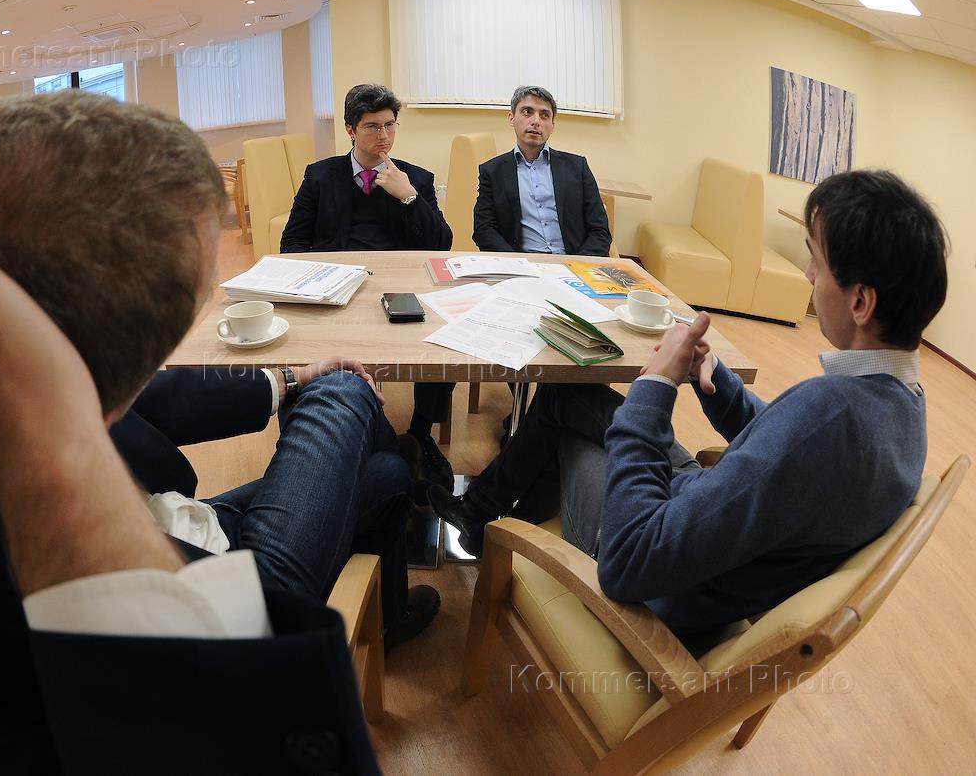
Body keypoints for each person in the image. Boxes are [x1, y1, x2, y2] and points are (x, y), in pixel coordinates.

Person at [0, 91, 439, 773]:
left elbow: (154, 400)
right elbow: (204, 728)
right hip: (216, 588)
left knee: (384, 475)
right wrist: (42, 454)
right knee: (346, 392)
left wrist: (286, 378)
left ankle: (387, 613)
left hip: (180, 522)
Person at [433, 168, 948, 640]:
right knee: (569, 396)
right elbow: (784, 445)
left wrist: (655, 387)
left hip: (649, 563)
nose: (809, 276)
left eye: (817, 260)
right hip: (703, 518)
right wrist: (714, 376)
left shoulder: (831, 413)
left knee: (566, 411)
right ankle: (484, 511)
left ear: (860, 301)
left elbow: (629, 560)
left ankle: (496, 525)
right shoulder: (902, 406)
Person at [281, 82, 456, 495]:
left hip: (399, 287)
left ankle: (420, 431)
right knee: (313, 353)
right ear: (350, 129)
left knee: (441, 343)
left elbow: (442, 244)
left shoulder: (415, 178)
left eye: (390, 125)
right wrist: (321, 280)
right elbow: (292, 244)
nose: (384, 136)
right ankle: (324, 437)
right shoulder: (320, 176)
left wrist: (409, 196)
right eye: (372, 126)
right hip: (336, 288)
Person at [472, 85, 611, 257]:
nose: (536, 121)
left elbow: (600, 230)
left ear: (552, 126)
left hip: (574, 262)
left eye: (544, 115)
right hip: (521, 264)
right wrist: (516, 263)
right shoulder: (492, 172)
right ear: (511, 118)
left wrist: (577, 265)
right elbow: (484, 229)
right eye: (527, 112)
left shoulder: (577, 167)